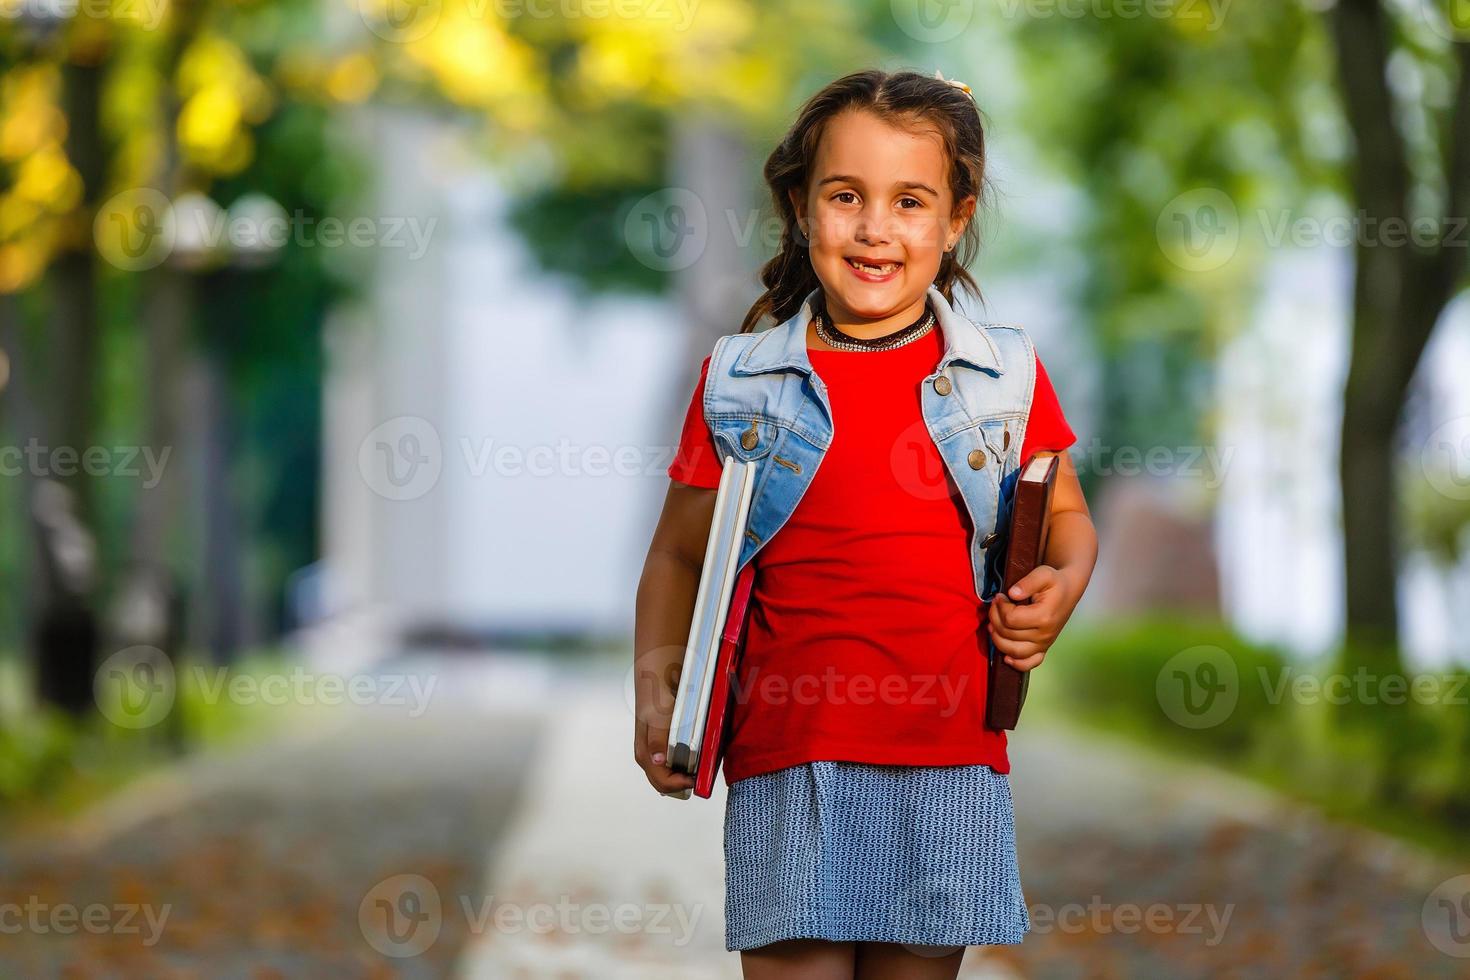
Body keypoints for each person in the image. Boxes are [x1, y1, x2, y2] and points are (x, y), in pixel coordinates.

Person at [634, 68, 1098, 980]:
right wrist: (658, 684)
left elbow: (1068, 520)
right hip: (787, 752)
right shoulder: (740, 381)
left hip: (948, 756)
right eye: (845, 196)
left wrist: (1065, 585)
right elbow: (677, 555)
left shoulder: (1002, 378)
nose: (875, 227)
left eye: (910, 201)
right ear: (802, 207)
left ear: (955, 219)